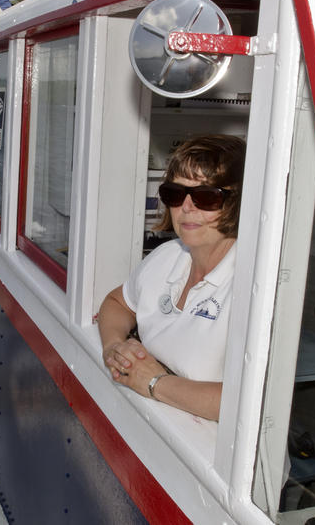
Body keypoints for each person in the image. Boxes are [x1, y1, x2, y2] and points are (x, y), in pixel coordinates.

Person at [97, 134, 246, 421]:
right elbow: (118, 302)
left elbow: (247, 405)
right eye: (176, 194)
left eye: (206, 197)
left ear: (238, 203)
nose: (187, 208)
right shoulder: (169, 255)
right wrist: (114, 346)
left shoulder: (251, 285)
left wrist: (154, 383)